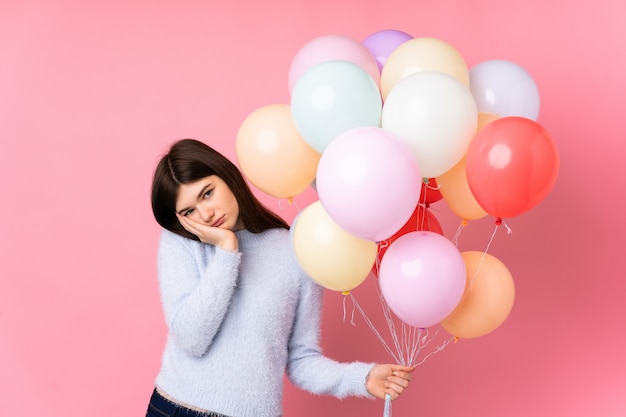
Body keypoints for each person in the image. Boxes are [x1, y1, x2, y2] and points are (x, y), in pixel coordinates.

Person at [147, 138, 414, 417]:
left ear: (227, 176)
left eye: (207, 193)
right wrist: (227, 250)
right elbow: (191, 339)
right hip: (176, 408)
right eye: (189, 211)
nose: (206, 213)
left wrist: (362, 378)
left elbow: (301, 359)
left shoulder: (293, 249)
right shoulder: (181, 242)